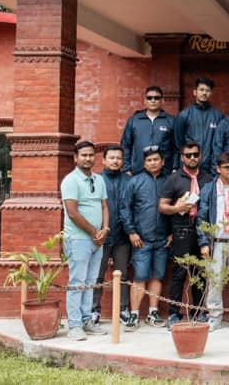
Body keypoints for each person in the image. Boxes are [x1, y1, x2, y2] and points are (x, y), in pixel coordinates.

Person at [158, 141, 212, 327]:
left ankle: (198, 312)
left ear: (200, 155)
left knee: (199, 273)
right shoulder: (174, 179)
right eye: (188, 155)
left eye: (195, 154)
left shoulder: (207, 178)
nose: (192, 158)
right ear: (182, 157)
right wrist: (177, 208)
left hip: (202, 230)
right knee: (180, 273)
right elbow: (162, 206)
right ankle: (174, 313)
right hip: (182, 229)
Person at [197, 152, 229, 332]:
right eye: (226, 167)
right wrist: (203, 242)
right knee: (215, 281)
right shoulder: (209, 189)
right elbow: (202, 218)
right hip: (216, 241)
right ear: (218, 169)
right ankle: (214, 317)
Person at [61, 141, 109, 340]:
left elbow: (104, 206)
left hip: (97, 240)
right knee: (77, 282)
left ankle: (87, 320)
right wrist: (94, 232)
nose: (88, 158)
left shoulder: (99, 179)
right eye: (84, 155)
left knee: (91, 281)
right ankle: (74, 325)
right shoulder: (71, 180)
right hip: (78, 239)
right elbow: (73, 213)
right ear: (75, 158)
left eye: (91, 155)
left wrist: (105, 230)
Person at [120, 145, 170, 331]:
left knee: (157, 276)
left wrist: (172, 233)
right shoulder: (135, 181)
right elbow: (125, 209)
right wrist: (131, 232)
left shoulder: (168, 181)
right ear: (144, 163)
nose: (153, 162)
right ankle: (134, 315)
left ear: (162, 162)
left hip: (163, 240)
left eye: (156, 159)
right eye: (149, 160)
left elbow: (175, 208)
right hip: (141, 240)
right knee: (140, 277)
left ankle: (152, 313)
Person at [91, 146, 130, 326]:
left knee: (123, 275)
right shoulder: (96, 180)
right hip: (101, 237)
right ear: (104, 160)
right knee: (97, 275)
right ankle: (94, 310)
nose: (115, 161)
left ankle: (123, 309)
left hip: (123, 237)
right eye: (112, 158)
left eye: (119, 158)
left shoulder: (129, 181)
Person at [121, 86, 176, 175]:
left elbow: (176, 147)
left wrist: (174, 168)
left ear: (162, 101)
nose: (153, 100)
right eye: (149, 98)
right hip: (138, 170)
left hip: (164, 172)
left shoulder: (171, 121)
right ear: (145, 101)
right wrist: (126, 168)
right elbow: (125, 145)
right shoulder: (134, 120)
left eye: (157, 98)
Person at [174, 77, 224, 174]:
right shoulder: (184, 115)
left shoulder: (218, 115)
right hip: (189, 166)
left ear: (211, 93)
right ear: (195, 92)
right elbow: (178, 143)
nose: (204, 93)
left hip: (211, 168)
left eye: (207, 90)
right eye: (201, 90)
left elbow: (220, 142)